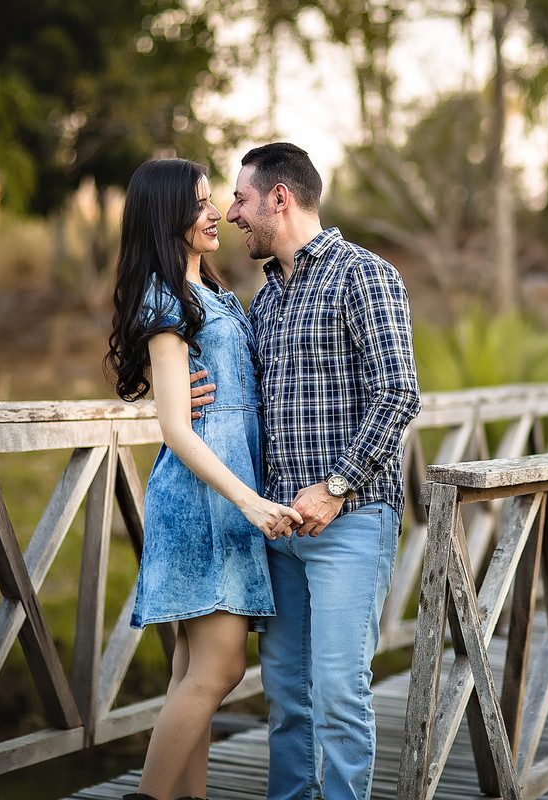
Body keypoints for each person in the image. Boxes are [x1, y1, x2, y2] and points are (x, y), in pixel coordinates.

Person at [194, 142, 420, 800]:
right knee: (288, 702)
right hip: (281, 532)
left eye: (240, 198)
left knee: (340, 697)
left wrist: (336, 487)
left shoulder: (364, 275)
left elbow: (398, 393)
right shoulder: (263, 302)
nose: (232, 213)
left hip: (352, 522)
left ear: (279, 198)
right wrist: (174, 392)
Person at [104, 157, 302, 800]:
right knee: (218, 669)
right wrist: (250, 502)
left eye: (214, 199)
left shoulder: (212, 293)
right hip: (205, 500)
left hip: (226, 493)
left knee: (193, 673)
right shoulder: (165, 301)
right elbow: (176, 428)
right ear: (167, 217)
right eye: (199, 202)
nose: (214, 211)